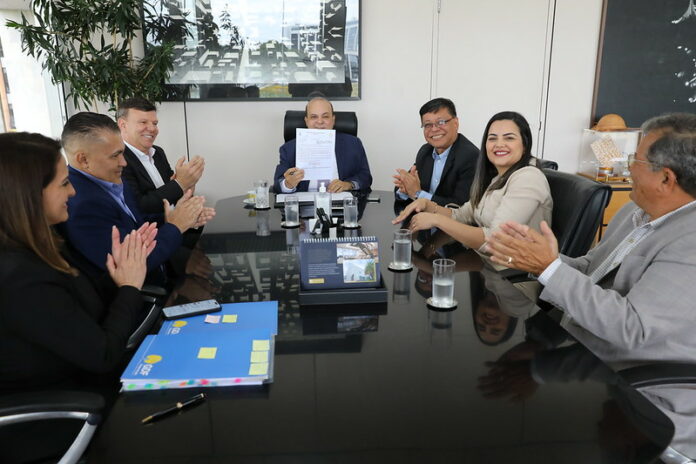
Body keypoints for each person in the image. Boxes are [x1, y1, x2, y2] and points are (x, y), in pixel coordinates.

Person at [485, 112, 696, 365]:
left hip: (621, 372)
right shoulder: (634, 210)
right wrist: (538, 258)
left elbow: (633, 330)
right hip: (575, 335)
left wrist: (548, 268)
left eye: (635, 160)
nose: (628, 167)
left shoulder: (689, 243)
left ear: (665, 178)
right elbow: (591, 267)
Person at [0, 132, 151, 395]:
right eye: (64, 183)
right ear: (29, 194)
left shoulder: (48, 241)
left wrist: (120, 271)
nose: (72, 191)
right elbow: (102, 355)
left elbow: (80, 306)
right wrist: (129, 287)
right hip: (75, 400)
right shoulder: (19, 277)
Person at [58, 112, 215, 284]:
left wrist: (180, 216)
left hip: (165, 270)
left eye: (122, 153)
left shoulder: (112, 179)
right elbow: (134, 264)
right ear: (83, 159)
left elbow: (138, 221)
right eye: (115, 155)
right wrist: (176, 225)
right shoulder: (81, 204)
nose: (124, 162)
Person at [392, 111, 552, 263]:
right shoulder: (497, 177)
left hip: (514, 272)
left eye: (509, 138)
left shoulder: (528, 178)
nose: (499, 144)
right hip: (486, 264)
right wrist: (428, 205)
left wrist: (436, 220)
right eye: (492, 138)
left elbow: (496, 239)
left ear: (525, 144)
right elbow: (462, 214)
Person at [118, 97, 205, 214]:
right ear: (123, 125)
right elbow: (139, 207)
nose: (152, 129)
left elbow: (173, 191)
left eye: (155, 123)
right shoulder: (118, 159)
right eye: (143, 122)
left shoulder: (158, 152)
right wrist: (180, 184)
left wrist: (187, 190)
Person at [272, 96, 372, 193]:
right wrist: (288, 184)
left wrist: (348, 184)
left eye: (325, 116)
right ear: (306, 121)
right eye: (314, 117)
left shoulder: (353, 144)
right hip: (304, 202)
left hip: (340, 200)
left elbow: (366, 176)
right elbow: (278, 184)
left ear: (333, 120)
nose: (320, 121)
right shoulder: (288, 149)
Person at [393, 97, 479, 206]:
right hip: (422, 215)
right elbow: (406, 185)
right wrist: (405, 189)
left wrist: (417, 194)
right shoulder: (425, 151)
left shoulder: (471, 156)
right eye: (428, 125)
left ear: (456, 123)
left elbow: (460, 206)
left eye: (441, 122)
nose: (434, 129)